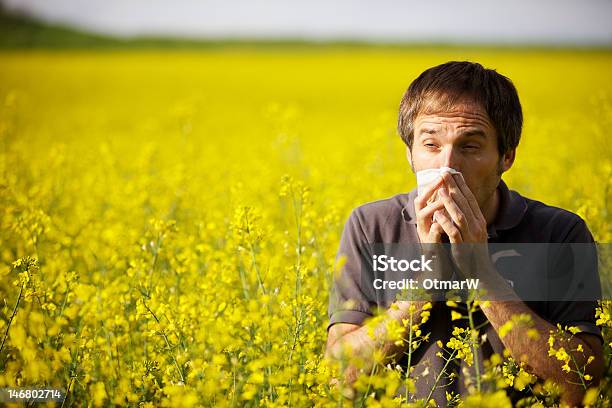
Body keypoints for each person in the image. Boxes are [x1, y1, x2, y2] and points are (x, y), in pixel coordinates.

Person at [324, 61, 604, 407]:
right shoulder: (371, 225)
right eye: (431, 145)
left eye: (469, 146)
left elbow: (583, 383)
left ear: (507, 156)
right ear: (409, 154)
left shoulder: (559, 233)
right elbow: (337, 374)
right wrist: (427, 280)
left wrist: (481, 272)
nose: (447, 166)